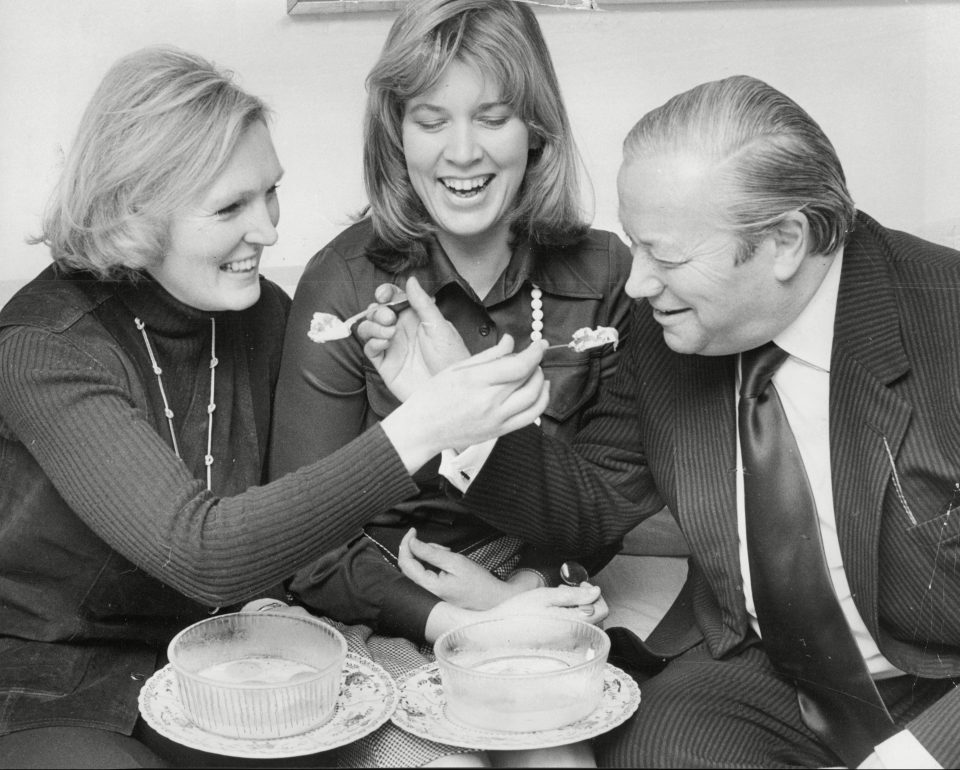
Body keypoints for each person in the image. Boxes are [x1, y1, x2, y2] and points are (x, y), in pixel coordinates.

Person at [0, 45, 590, 769]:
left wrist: (492, 598)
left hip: (243, 665)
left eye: (269, 193)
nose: (270, 230)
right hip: (57, 684)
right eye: (231, 207)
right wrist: (426, 422)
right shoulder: (41, 347)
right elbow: (206, 554)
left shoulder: (262, 313)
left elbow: (312, 532)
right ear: (133, 212)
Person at [361, 75, 960, 769]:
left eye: (667, 256)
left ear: (787, 240)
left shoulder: (945, 319)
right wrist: (454, 412)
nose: (637, 283)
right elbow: (588, 507)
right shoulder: (659, 327)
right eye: (635, 246)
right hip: (771, 671)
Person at [269, 0, 627, 766]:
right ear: (396, 133)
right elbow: (308, 546)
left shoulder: (607, 275)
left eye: (491, 117)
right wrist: (456, 619)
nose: (461, 153)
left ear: (535, 127)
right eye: (431, 120)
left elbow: (603, 511)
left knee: (559, 760)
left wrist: (521, 595)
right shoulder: (343, 281)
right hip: (381, 612)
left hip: (526, 598)